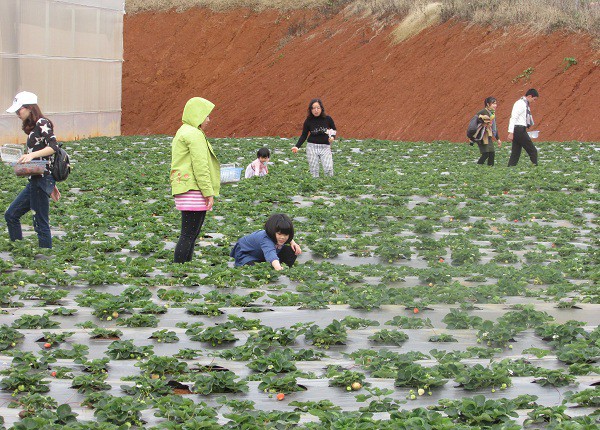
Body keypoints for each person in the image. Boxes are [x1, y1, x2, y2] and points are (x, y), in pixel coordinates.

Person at [4, 91, 61, 249]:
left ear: (29, 107)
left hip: (41, 180)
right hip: (37, 179)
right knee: (11, 215)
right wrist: (51, 183)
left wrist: (31, 156)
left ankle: (46, 258)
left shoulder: (43, 122)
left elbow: (53, 147)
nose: (17, 113)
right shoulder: (34, 127)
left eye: (19, 109)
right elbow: (44, 158)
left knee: (40, 222)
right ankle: (19, 249)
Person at [170, 97, 220, 263]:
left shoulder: (183, 131)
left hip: (184, 188)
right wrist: (208, 192)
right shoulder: (195, 134)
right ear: (197, 115)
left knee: (189, 235)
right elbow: (200, 166)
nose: (208, 120)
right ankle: (180, 272)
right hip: (194, 190)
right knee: (189, 235)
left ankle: (183, 270)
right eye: (206, 115)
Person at [230, 213, 302, 271]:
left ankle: (282, 267)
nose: (282, 237)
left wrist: (293, 243)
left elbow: (286, 237)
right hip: (247, 254)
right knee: (255, 269)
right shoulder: (265, 239)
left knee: (291, 251)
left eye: (286, 234)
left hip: (262, 253)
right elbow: (271, 254)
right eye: (279, 234)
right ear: (272, 231)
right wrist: (278, 268)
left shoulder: (279, 237)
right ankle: (275, 266)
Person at [291, 98, 336, 177]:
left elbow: (333, 129)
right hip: (312, 147)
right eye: (313, 108)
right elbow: (304, 135)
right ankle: (316, 187)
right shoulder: (308, 120)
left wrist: (332, 137)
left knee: (328, 169)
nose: (316, 110)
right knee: (314, 170)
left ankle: (329, 185)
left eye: (318, 108)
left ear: (321, 108)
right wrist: (297, 146)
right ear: (310, 110)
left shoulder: (328, 119)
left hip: (325, 147)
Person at [507, 88, 539, 166]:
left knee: (516, 152)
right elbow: (513, 117)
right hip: (519, 129)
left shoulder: (524, 103)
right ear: (529, 96)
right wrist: (511, 132)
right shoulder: (521, 104)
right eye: (534, 99)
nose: (534, 101)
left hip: (519, 129)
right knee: (533, 151)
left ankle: (510, 168)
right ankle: (535, 168)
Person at [473, 97, 502, 166]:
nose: (495, 105)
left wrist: (498, 139)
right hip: (481, 136)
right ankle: (478, 168)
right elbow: (475, 122)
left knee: (492, 153)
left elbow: (494, 128)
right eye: (493, 103)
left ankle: (490, 169)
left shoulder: (492, 114)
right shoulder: (482, 112)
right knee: (486, 154)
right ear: (488, 104)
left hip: (488, 136)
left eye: (495, 103)